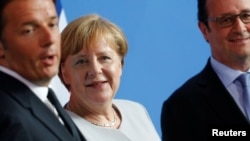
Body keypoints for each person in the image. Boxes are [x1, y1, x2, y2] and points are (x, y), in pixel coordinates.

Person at [58, 14, 161, 141]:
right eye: (81, 61)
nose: (95, 70)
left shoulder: (137, 111)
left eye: (104, 58)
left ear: (120, 65)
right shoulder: (59, 132)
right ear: (64, 73)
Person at [161, 0, 250, 140]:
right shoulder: (181, 107)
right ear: (204, 30)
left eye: (246, 16)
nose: (240, 28)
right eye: (226, 20)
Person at [0, 0, 86, 140]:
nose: (50, 38)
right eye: (29, 30)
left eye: (52, 25)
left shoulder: (46, 98)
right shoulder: (6, 116)